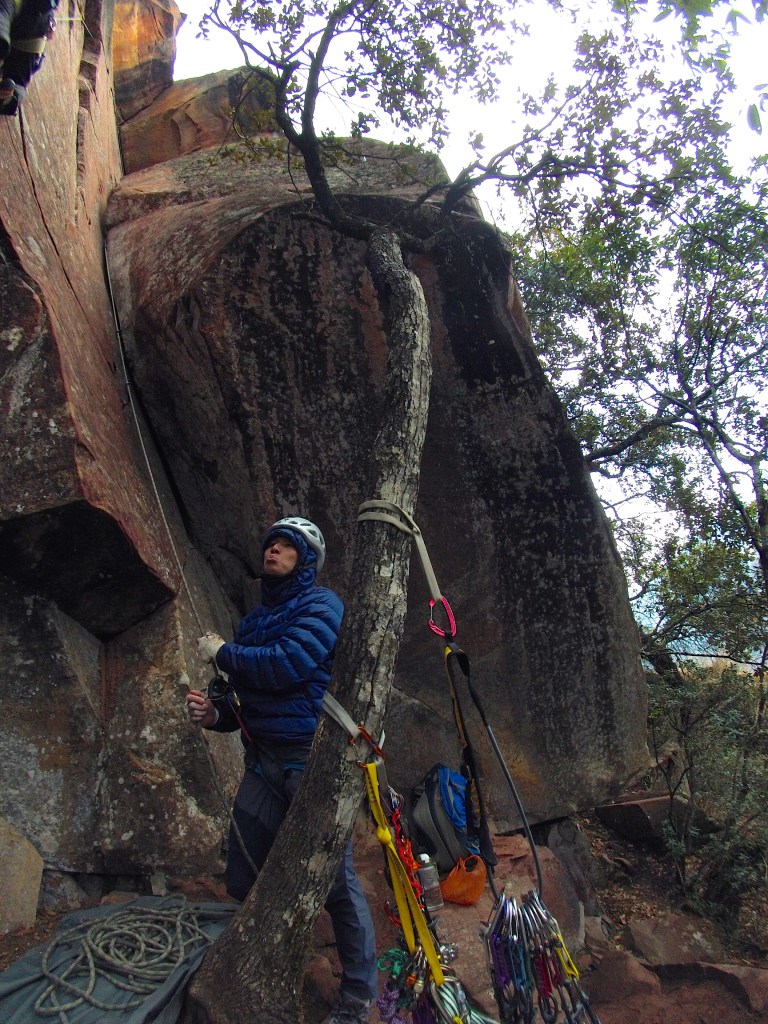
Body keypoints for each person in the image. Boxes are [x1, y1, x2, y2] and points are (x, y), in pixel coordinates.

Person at [186, 516, 378, 1024]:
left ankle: (358, 999)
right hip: (262, 763)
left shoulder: (322, 605)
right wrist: (216, 714)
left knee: (336, 881)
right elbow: (241, 698)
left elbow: (289, 663)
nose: (272, 550)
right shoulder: (251, 623)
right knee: (244, 870)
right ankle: (255, 966)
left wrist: (225, 654)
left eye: (286, 546)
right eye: (269, 543)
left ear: (305, 560)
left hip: (306, 762)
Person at [0, 0, 58, 116]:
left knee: (17, 83)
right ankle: (8, 98)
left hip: (28, 36)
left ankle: (8, 98)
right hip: (27, 33)